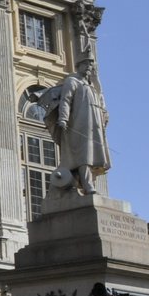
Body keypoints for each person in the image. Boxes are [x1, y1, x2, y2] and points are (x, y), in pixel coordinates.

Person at [35, 60, 110, 195]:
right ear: (78, 66)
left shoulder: (91, 85)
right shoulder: (72, 81)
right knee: (84, 155)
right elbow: (65, 100)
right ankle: (87, 186)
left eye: (91, 66)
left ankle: (88, 184)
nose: (89, 68)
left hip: (94, 125)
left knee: (94, 155)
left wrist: (104, 116)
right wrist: (63, 118)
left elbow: (100, 102)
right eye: (86, 65)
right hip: (78, 124)